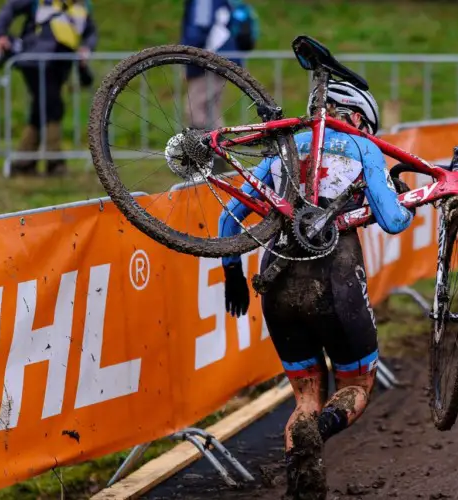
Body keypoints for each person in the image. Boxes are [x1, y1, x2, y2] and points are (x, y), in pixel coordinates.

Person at [218, 80, 413, 500]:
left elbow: (228, 221)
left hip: (277, 279)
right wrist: (405, 202)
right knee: (356, 386)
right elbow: (393, 221)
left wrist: (231, 273)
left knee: (305, 397)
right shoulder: (364, 149)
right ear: (357, 118)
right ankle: (320, 431)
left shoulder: (281, 152)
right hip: (336, 281)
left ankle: (300, 478)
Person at [0, 0, 97, 176]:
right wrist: (1, 34)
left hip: (61, 63)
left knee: (40, 109)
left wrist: (87, 48)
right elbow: (10, 8)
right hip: (35, 60)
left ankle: (24, 162)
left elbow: (90, 32)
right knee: (53, 106)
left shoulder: (83, 6)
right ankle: (54, 161)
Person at [181, 0, 258, 173]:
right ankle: (217, 159)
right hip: (221, 57)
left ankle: (202, 160)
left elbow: (198, 28)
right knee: (211, 110)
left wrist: (185, 57)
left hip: (207, 59)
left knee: (195, 109)